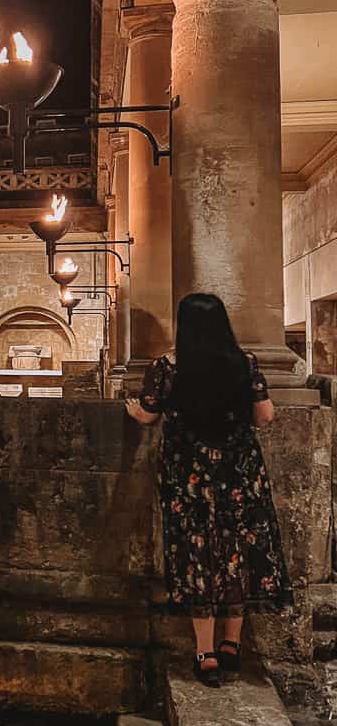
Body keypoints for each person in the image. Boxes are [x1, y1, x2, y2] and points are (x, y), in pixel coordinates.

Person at [125, 293, 292, 687]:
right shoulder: (244, 363)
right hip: (239, 475)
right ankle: (232, 645)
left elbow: (148, 413)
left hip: (189, 478)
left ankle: (205, 653)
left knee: (197, 554)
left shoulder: (166, 368)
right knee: (237, 553)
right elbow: (265, 416)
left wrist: (134, 411)